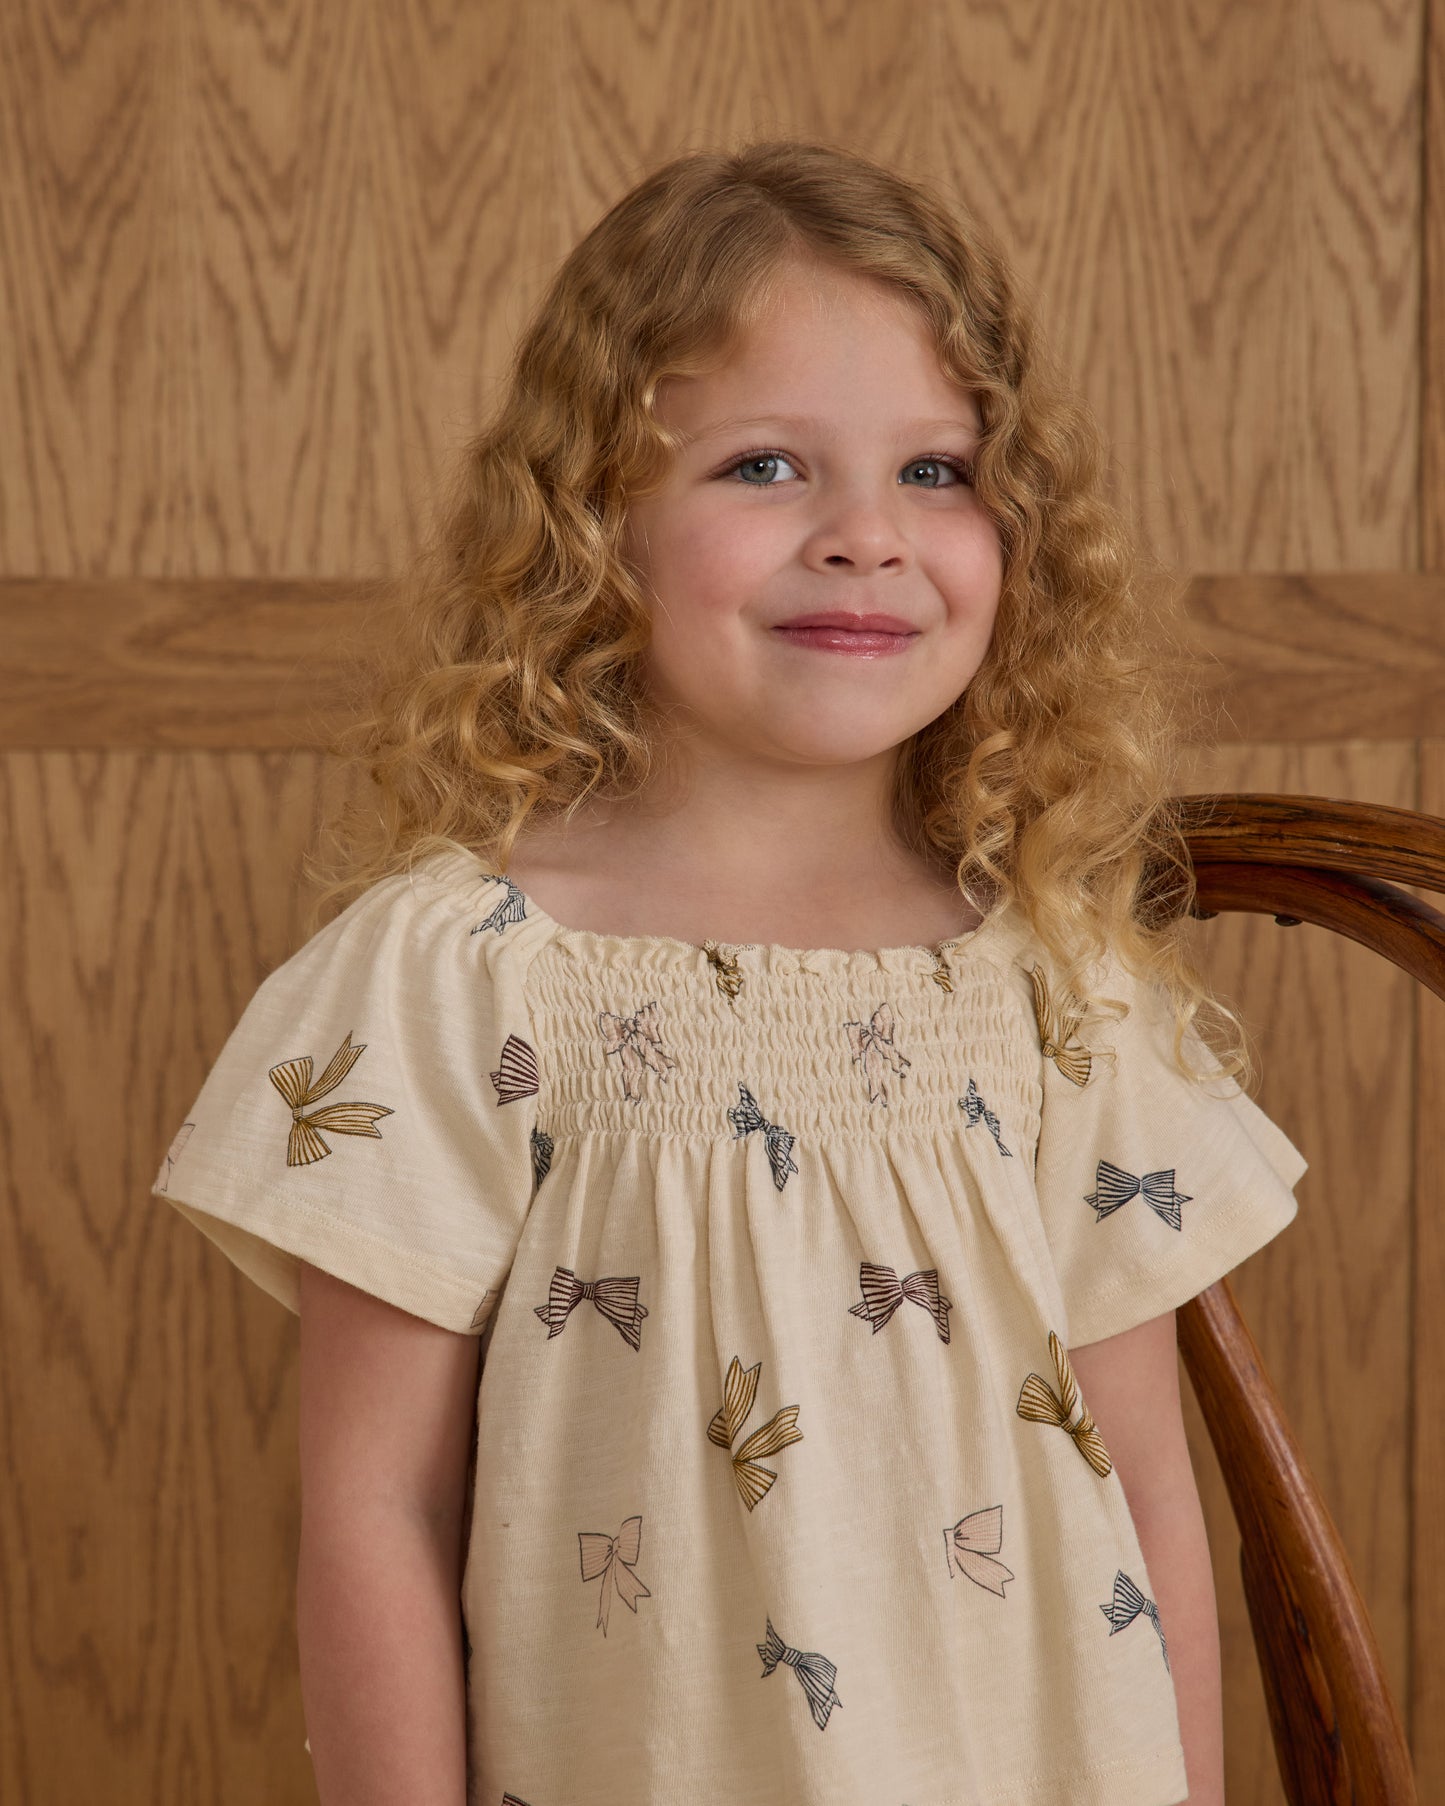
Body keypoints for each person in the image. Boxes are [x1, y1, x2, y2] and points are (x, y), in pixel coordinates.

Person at [152, 138, 1307, 1806]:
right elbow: (377, 1508)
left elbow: (1144, 1490)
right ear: (593, 520)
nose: (865, 537)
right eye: (765, 466)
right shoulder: (462, 978)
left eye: (936, 470)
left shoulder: (1057, 982)